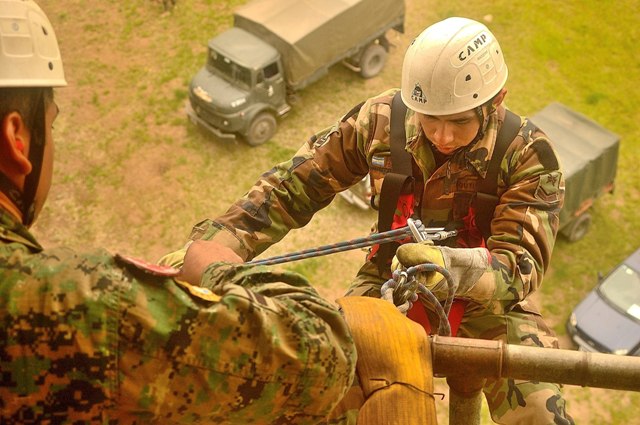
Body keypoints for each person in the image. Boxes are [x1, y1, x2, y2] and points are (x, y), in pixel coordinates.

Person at [163, 16, 575, 425]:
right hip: (389, 279)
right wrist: (218, 242)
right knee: (325, 388)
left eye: (460, 121)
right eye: (429, 118)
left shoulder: (527, 154)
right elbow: (293, 186)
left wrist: (450, 266)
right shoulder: (380, 121)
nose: (442, 136)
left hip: (490, 300)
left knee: (542, 413)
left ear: (496, 100)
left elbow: (519, 268)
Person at [0, 1, 355, 423]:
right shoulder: (73, 301)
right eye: (52, 124)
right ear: (17, 139)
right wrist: (217, 269)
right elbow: (322, 360)